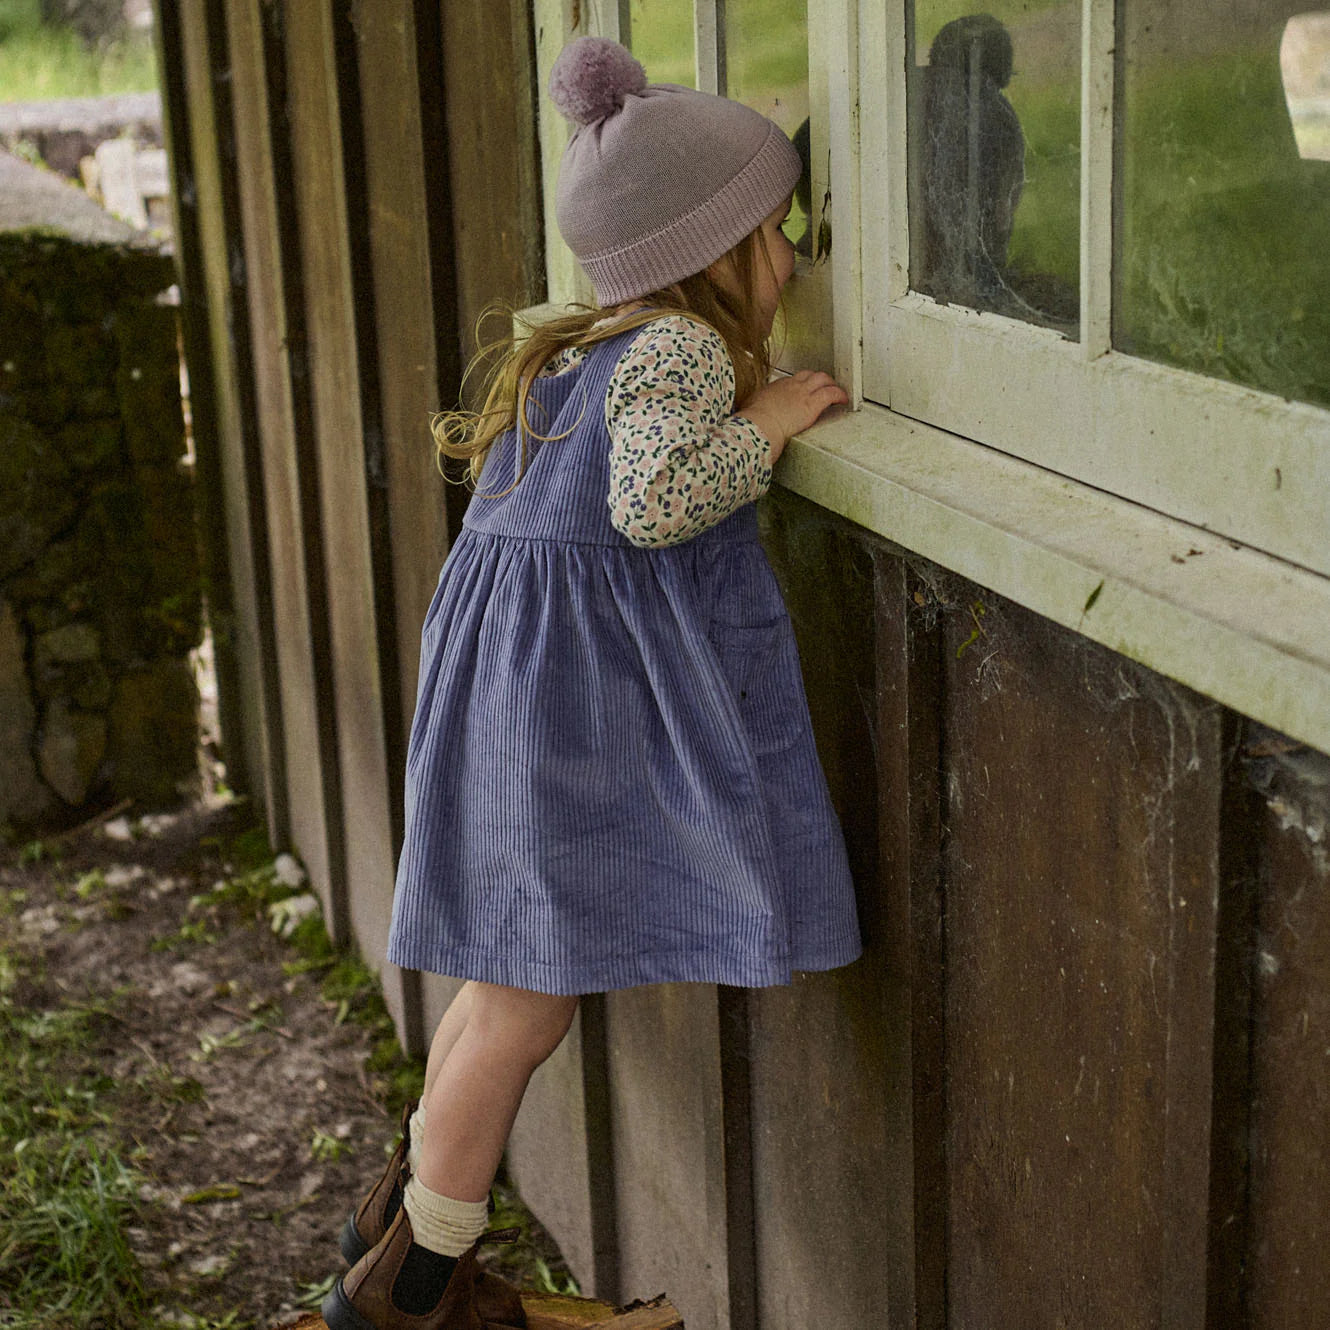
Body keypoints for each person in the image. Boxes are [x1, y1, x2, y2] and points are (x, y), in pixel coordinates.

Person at [322, 35, 862, 1330]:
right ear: (711, 250)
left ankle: (393, 1222)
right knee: (526, 1007)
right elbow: (657, 500)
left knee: (497, 989)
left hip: (507, 707)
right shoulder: (676, 355)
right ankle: (416, 1288)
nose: (789, 255)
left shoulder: (576, 356)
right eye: (774, 228)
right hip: (561, 727)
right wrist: (771, 423)